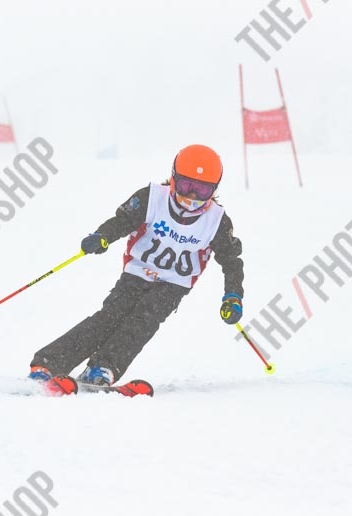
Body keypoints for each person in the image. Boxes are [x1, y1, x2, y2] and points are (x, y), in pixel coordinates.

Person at [28, 144, 245, 387]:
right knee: (109, 317)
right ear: (174, 179)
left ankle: (104, 367)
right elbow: (123, 221)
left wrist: (233, 296)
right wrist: (102, 236)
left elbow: (231, 262)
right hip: (137, 272)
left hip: (174, 283)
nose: (191, 197)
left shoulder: (216, 222)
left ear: (214, 190)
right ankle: (50, 362)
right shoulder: (152, 199)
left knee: (142, 323)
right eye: (186, 186)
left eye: (202, 190)